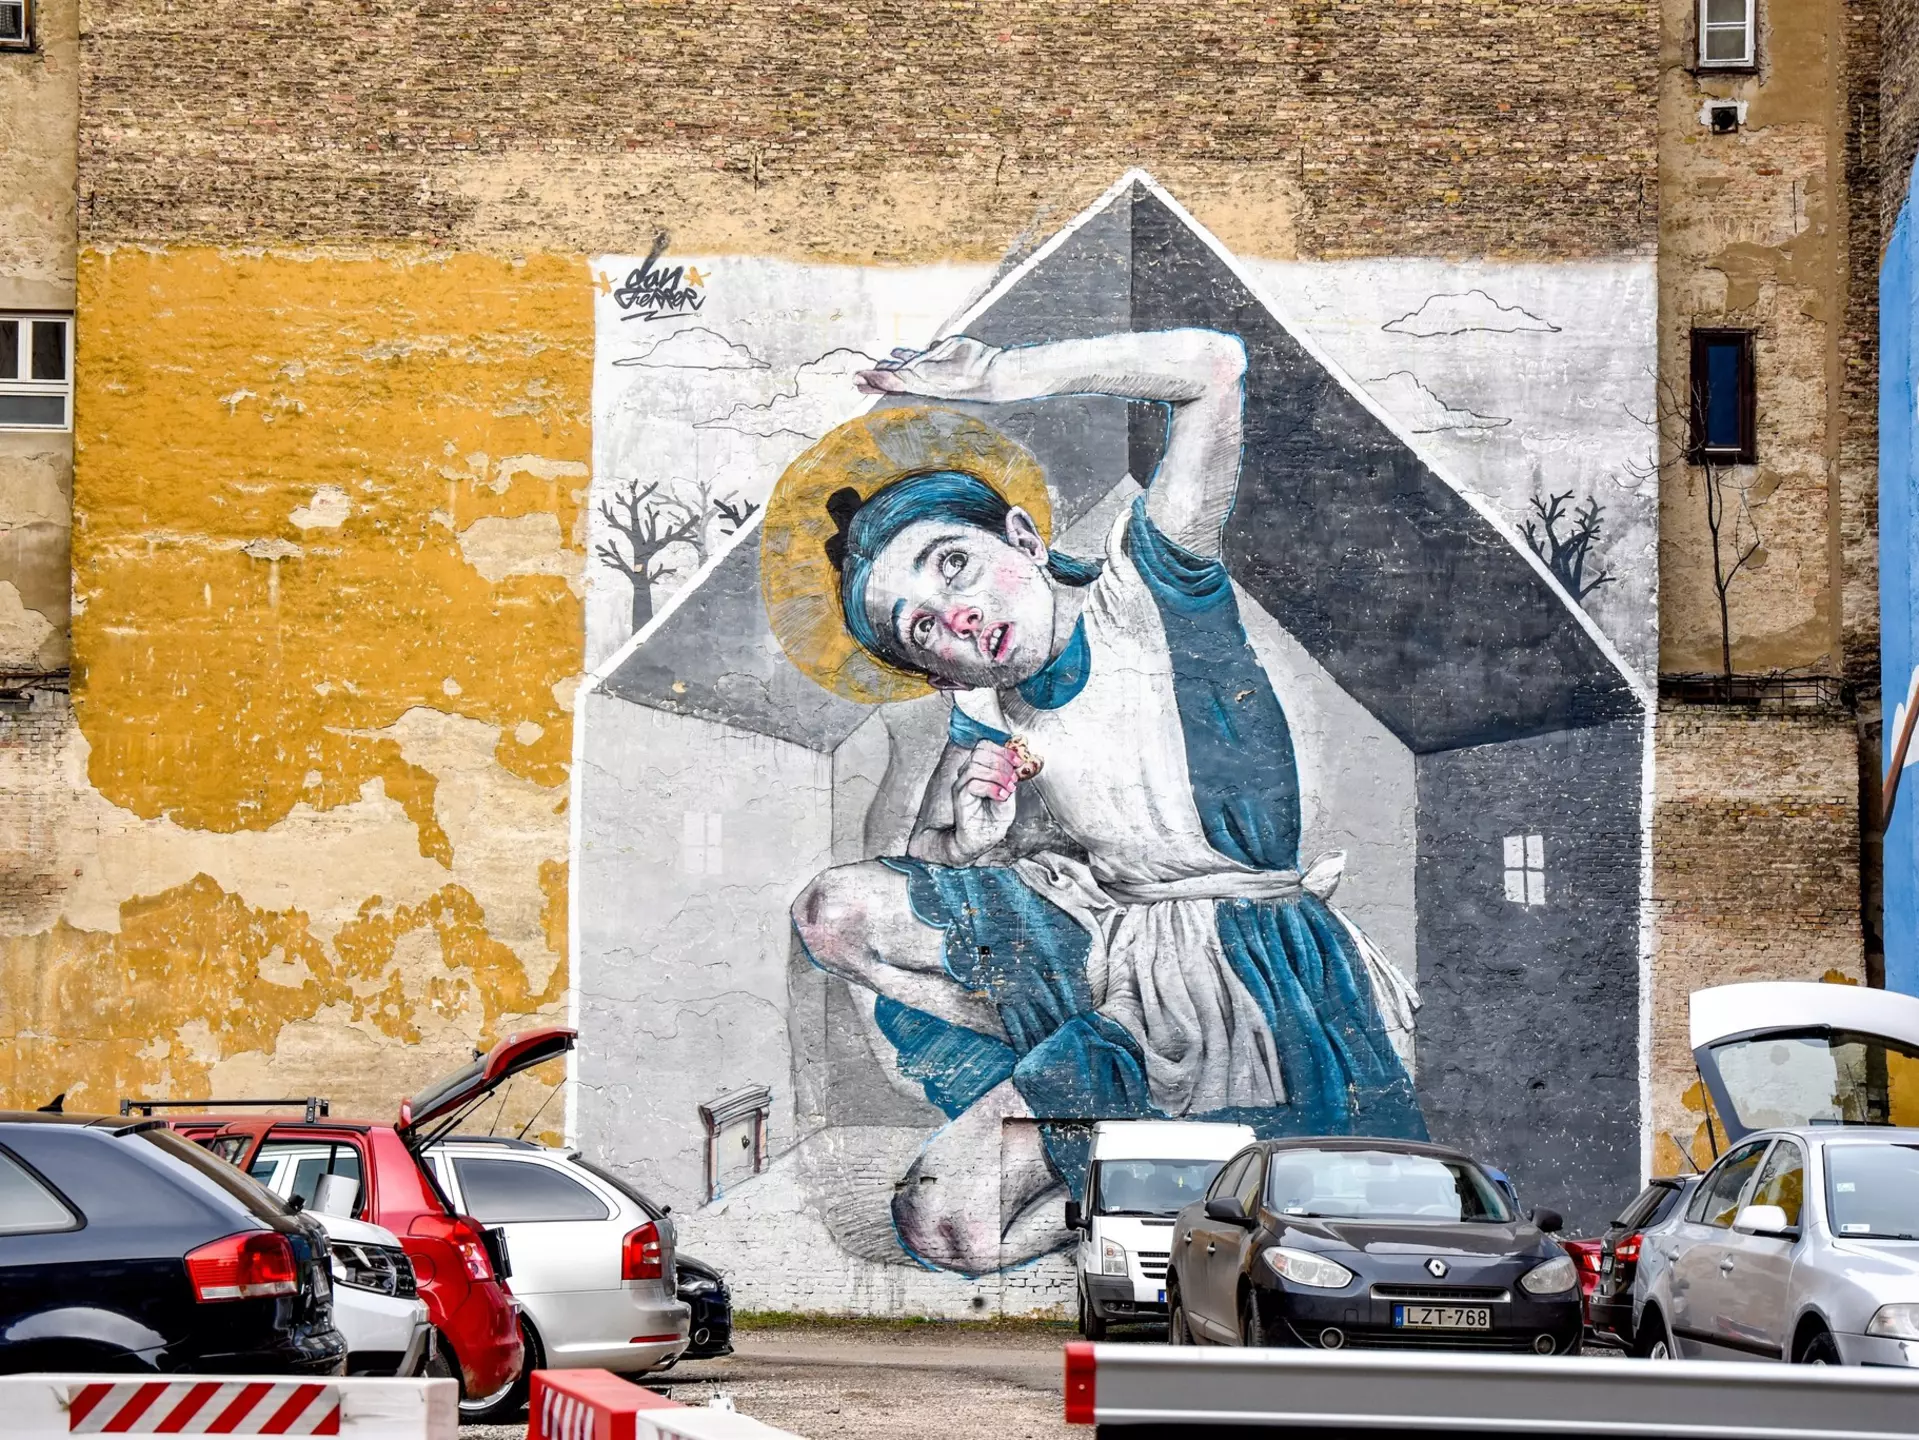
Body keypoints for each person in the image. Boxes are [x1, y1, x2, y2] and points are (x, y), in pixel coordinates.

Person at [774, 327, 1423, 1275]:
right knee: (835, 925)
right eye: (919, 628)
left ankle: (1163, 1169)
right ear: (927, 666)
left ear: (1025, 540)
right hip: (1102, 954)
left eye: (951, 565)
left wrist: (1000, 377)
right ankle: (1113, 1132)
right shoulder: (984, 710)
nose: (951, 616)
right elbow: (927, 874)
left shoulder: (1149, 592)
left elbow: (1211, 371)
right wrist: (974, 836)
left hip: (1246, 965)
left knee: (971, 1222)